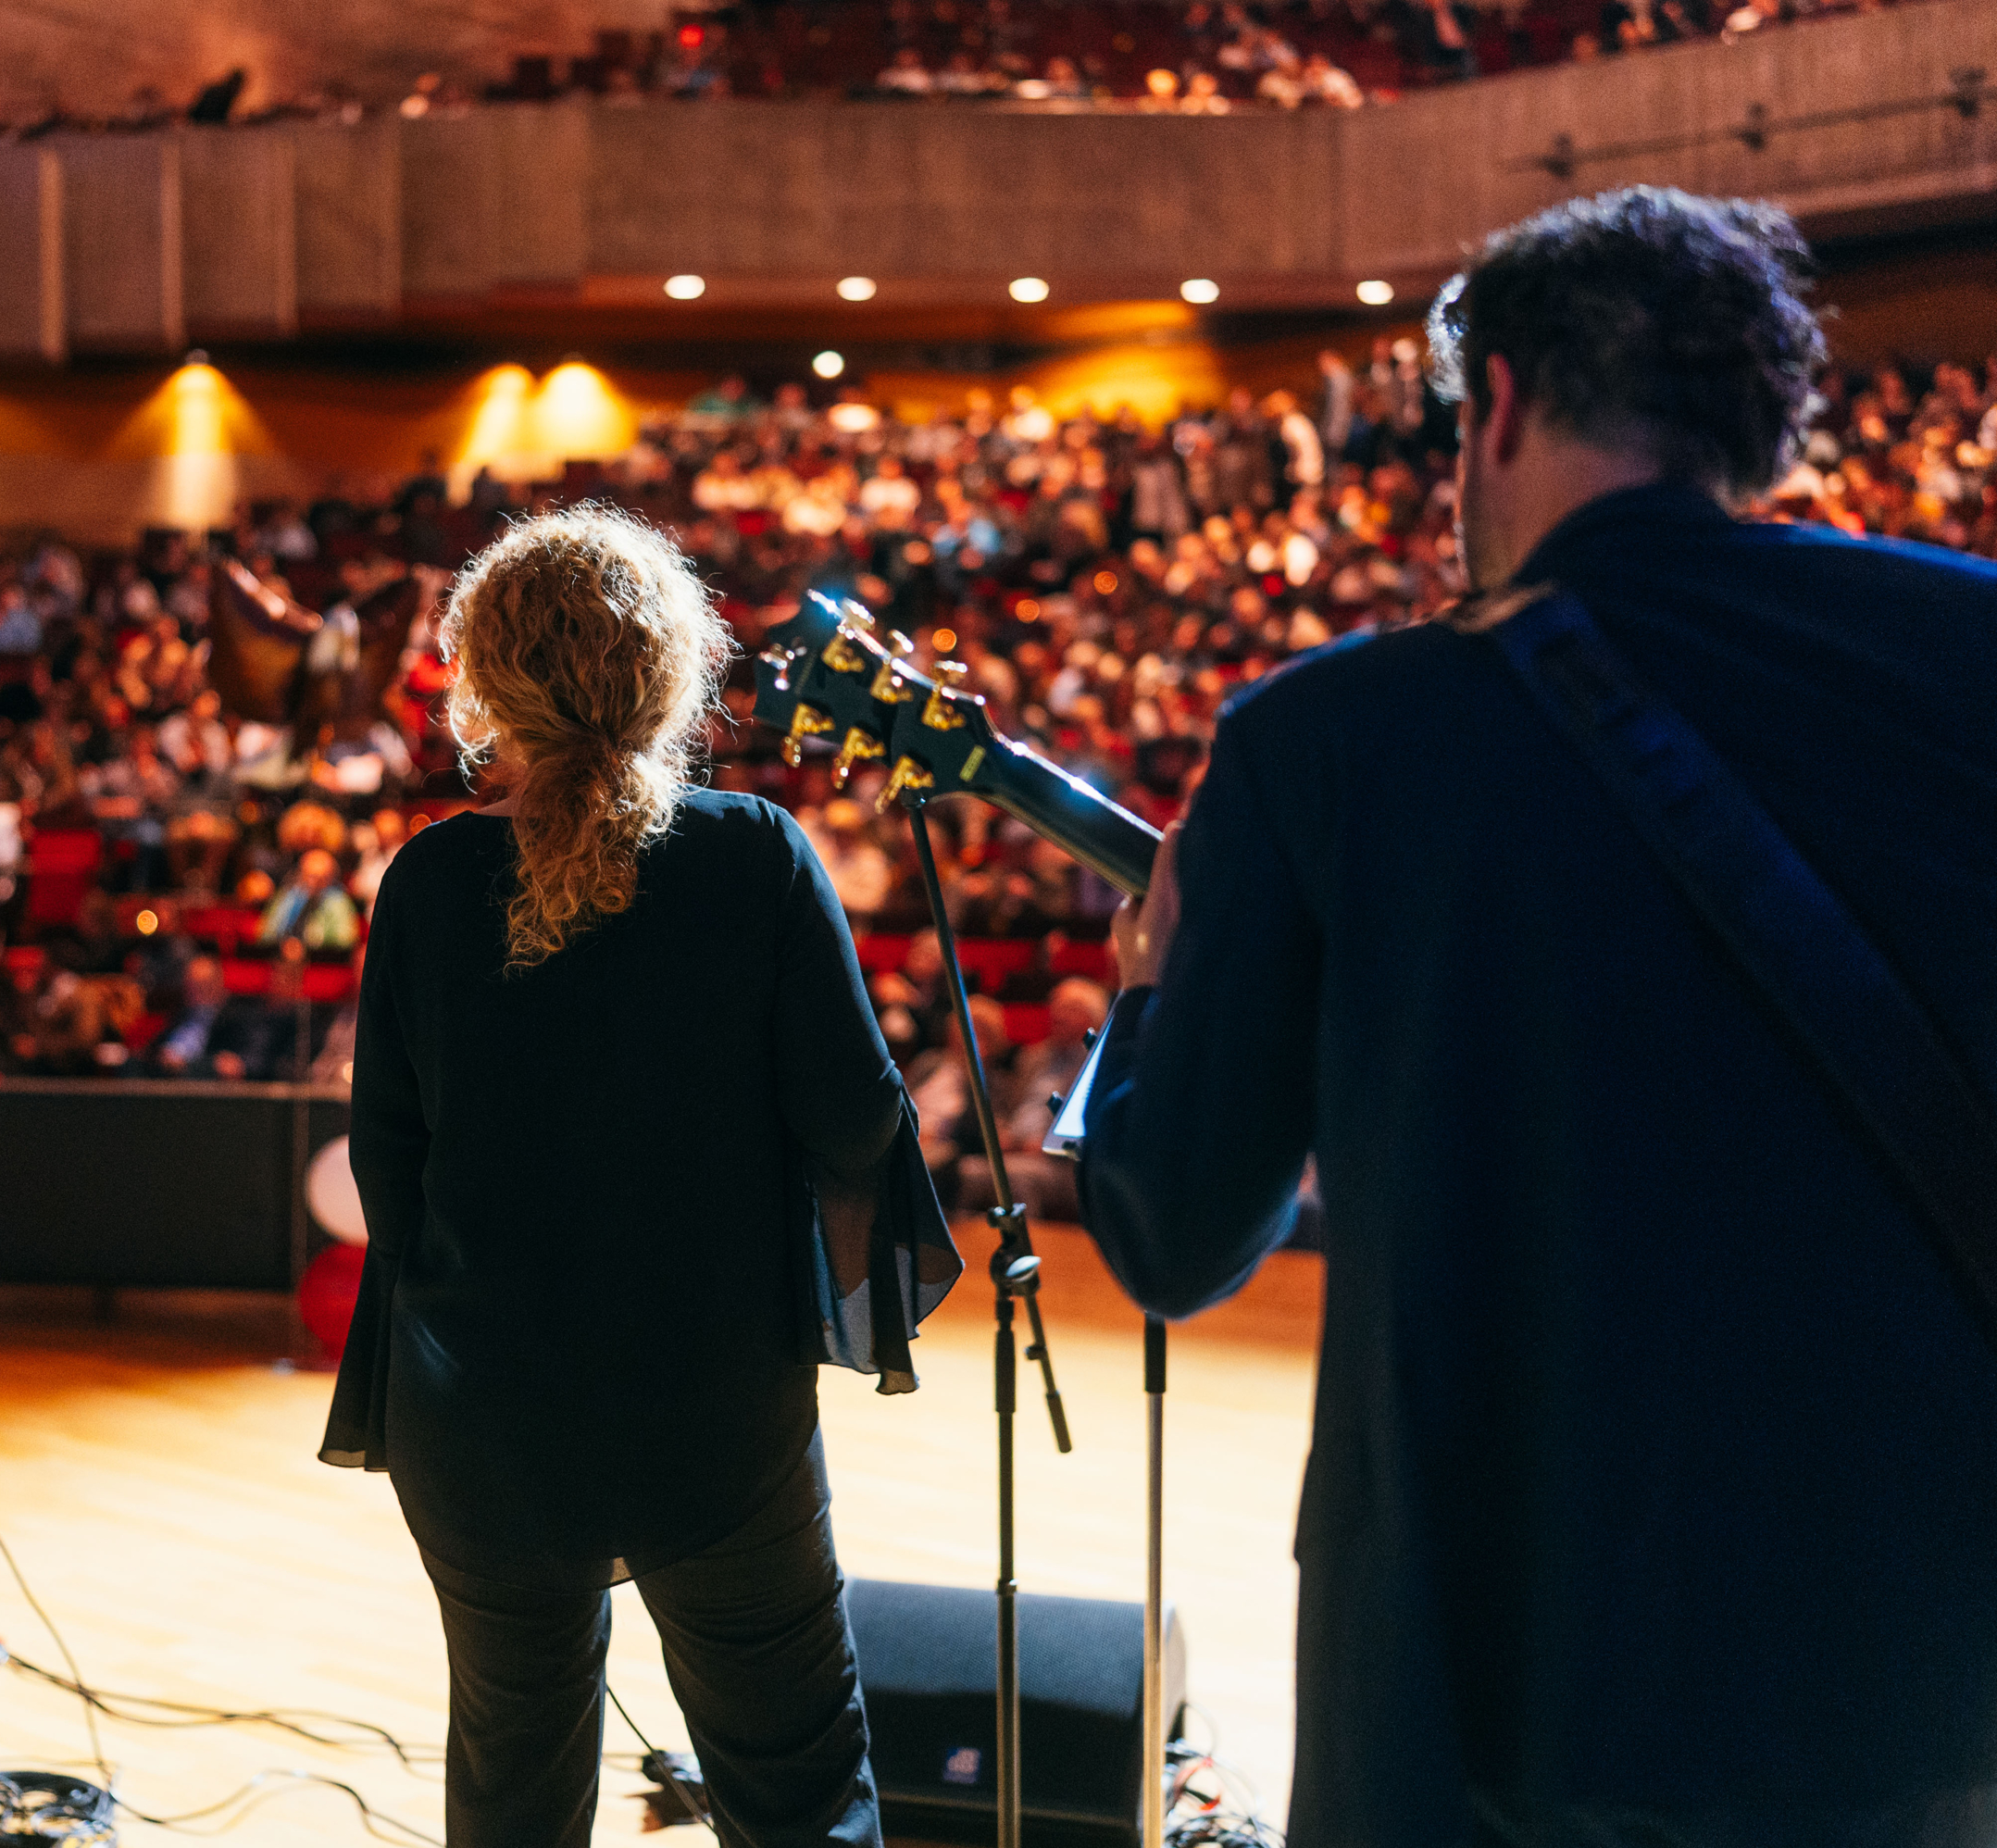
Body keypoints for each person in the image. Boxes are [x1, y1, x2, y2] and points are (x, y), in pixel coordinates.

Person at [1077, 188, 1997, 1844]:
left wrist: (1149, 998)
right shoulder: (1976, 653)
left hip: (1489, 1695)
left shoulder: (1332, 735)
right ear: (1758, 427)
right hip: (1925, 1688)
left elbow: (1174, 1230)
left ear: (1493, 400)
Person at [320, 505, 955, 1847]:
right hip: (711, 1415)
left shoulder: (428, 883)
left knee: (513, 1783)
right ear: (675, 669)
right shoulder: (758, 857)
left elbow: (389, 1171)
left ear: (484, 683)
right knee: (795, 1780)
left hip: (481, 1424)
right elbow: (854, 1128)